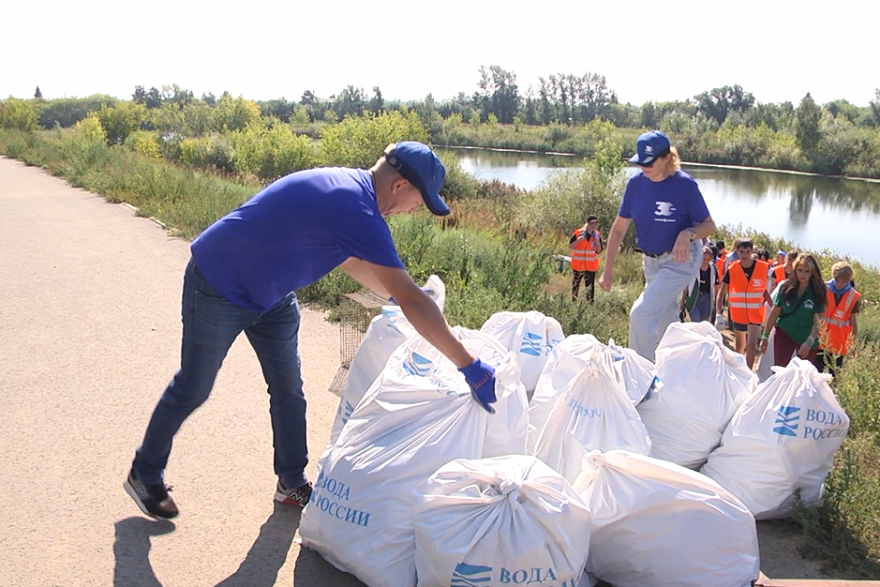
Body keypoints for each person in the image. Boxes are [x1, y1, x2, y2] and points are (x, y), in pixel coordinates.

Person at [124, 142, 498, 520]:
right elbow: (411, 301)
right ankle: (144, 473)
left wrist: (402, 296)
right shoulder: (355, 206)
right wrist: (467, 363)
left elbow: (351, 260)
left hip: (272, 295)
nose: (414, 210)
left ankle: (291, 481)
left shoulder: (353, 194)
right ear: (400, 185)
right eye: (419, 201)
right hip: (219, 285)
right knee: (194, 386)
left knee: (288, 388)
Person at [599, 130, 717, 361]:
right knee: (665, 320)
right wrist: (608, 270)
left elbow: (709, 226)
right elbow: (619, 228)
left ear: (667, 158)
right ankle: (676, 366)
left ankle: (640, 375)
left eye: (650, 161)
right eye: (640, 161)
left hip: (681, 260)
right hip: (651, 262)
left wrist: (687, 233)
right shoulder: (635, 185)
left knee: (640, 314)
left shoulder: (684, 185)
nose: (644, 166)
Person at [760, 254, 826, 367]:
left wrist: (809, 342)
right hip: (785, 332)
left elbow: (818, 321)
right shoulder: (785, 287)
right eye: (800, 270)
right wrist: (765, 336)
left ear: (812, 273)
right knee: (779, 370)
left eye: (807, 271)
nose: (803, 275)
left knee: (803, 374)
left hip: (807, 338)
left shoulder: (817, 291)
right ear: (795, 270)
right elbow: (775, 312)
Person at [716, 239, 772, 368]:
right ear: (737, 251)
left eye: (747, 252)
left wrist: (773, 307)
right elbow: (721, 293)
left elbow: (764, 290)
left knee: (751, 344)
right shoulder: (732, 269)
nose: (745, 255)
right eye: (741, 252)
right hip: (738, 314)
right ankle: (739, 371)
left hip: (756, 313)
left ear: (752, 251)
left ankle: (748, 375)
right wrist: (719, 313)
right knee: (740, 346)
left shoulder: (763, 267)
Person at [814, 261, 861, 375]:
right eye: (837, 280)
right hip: (819, 341)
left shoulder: (853, 296)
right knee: (815, 374)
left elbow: (853, 322)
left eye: (843, 282)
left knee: (834, 376)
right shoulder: (823, 289)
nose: (839, 284)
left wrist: (853, 344)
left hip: (838, 344)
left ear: (849, 280)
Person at [570, 214, 603, 302]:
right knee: (575, 285)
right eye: (592, 223)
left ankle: (590, 305)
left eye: (596, 223)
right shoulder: (578, 233)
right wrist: (579, 240)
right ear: (588, 223)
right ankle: (574, 302)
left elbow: (599, 250)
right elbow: (571, 246)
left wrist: (597, 243)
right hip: (578, 265)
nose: (594, 225)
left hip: (590, 266)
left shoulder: (597, 235)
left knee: (590, 287)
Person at [680, 245, 717, 323]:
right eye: (703, 259)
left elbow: (714, 285)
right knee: (695, 321)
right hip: (695, 297)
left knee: (705, 321)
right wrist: (683, 301)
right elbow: (686, 285)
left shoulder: (712, 268)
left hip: (707, 297)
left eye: (708, 259)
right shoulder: (693, 267)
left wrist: (715, 301)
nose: (705, 262)